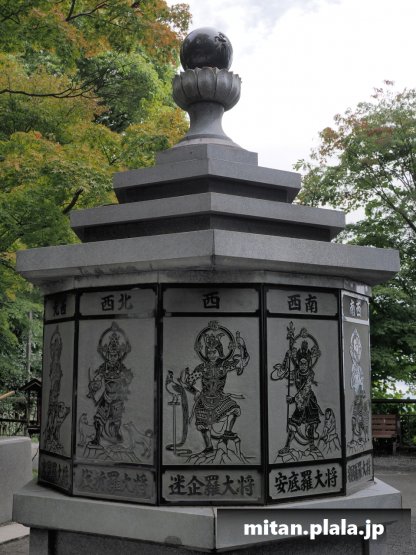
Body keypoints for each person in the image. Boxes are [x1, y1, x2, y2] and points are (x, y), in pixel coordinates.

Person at [183, 324, 249, 453]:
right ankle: (209, 446)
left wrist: (243, 347)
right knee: (202, 423)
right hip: (204, 400)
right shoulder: (202, 368)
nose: (211, 355)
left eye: (214, 352)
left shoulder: (224, 366)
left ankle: (228, 432)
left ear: (219, 352)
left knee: (234, 408)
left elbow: (243, 361)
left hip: (220, 398)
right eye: (209, 352)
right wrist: (196, 392)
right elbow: (188, 381)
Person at [87, 323, 133, 446]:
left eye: (115, 355)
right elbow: (97, 378)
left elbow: (129, 377)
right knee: (98, 418)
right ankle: (97, 438)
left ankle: (116, 435)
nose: (113, 357)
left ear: (118, 355)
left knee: (116, 420)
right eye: (111, 355)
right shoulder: (104, 366)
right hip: (106, 396)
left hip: (117, 397)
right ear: (107, 355)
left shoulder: (121, 367)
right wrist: (94, 386)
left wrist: (125, 377)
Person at [278, 339, 323, 454]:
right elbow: (282, 374)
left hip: (309, 400)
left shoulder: (310, 374)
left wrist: (293, 399)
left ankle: (312, 445)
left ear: (308, 363)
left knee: (311, 424)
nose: (303, 365)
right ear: (298, 362)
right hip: (300, 403)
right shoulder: (295, 373)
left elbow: (306, 389)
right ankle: (287, 447)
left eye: (305, 363)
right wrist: (286, 358)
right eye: (301, 363)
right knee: (293, 424)